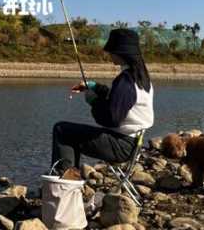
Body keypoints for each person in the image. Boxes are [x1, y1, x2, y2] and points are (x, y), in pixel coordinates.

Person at [51, 28, 154, 175]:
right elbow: (119, 100)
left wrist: (93, 101)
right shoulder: (140, 77)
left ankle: (63, 182)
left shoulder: (126, 81)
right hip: (133, 144)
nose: (109, 54)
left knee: (62, 130)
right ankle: (69, 177)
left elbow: (111, 119)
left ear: (121, 52)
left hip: (121, 146)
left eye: (111, 51)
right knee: (71, 132)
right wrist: (94, 86)